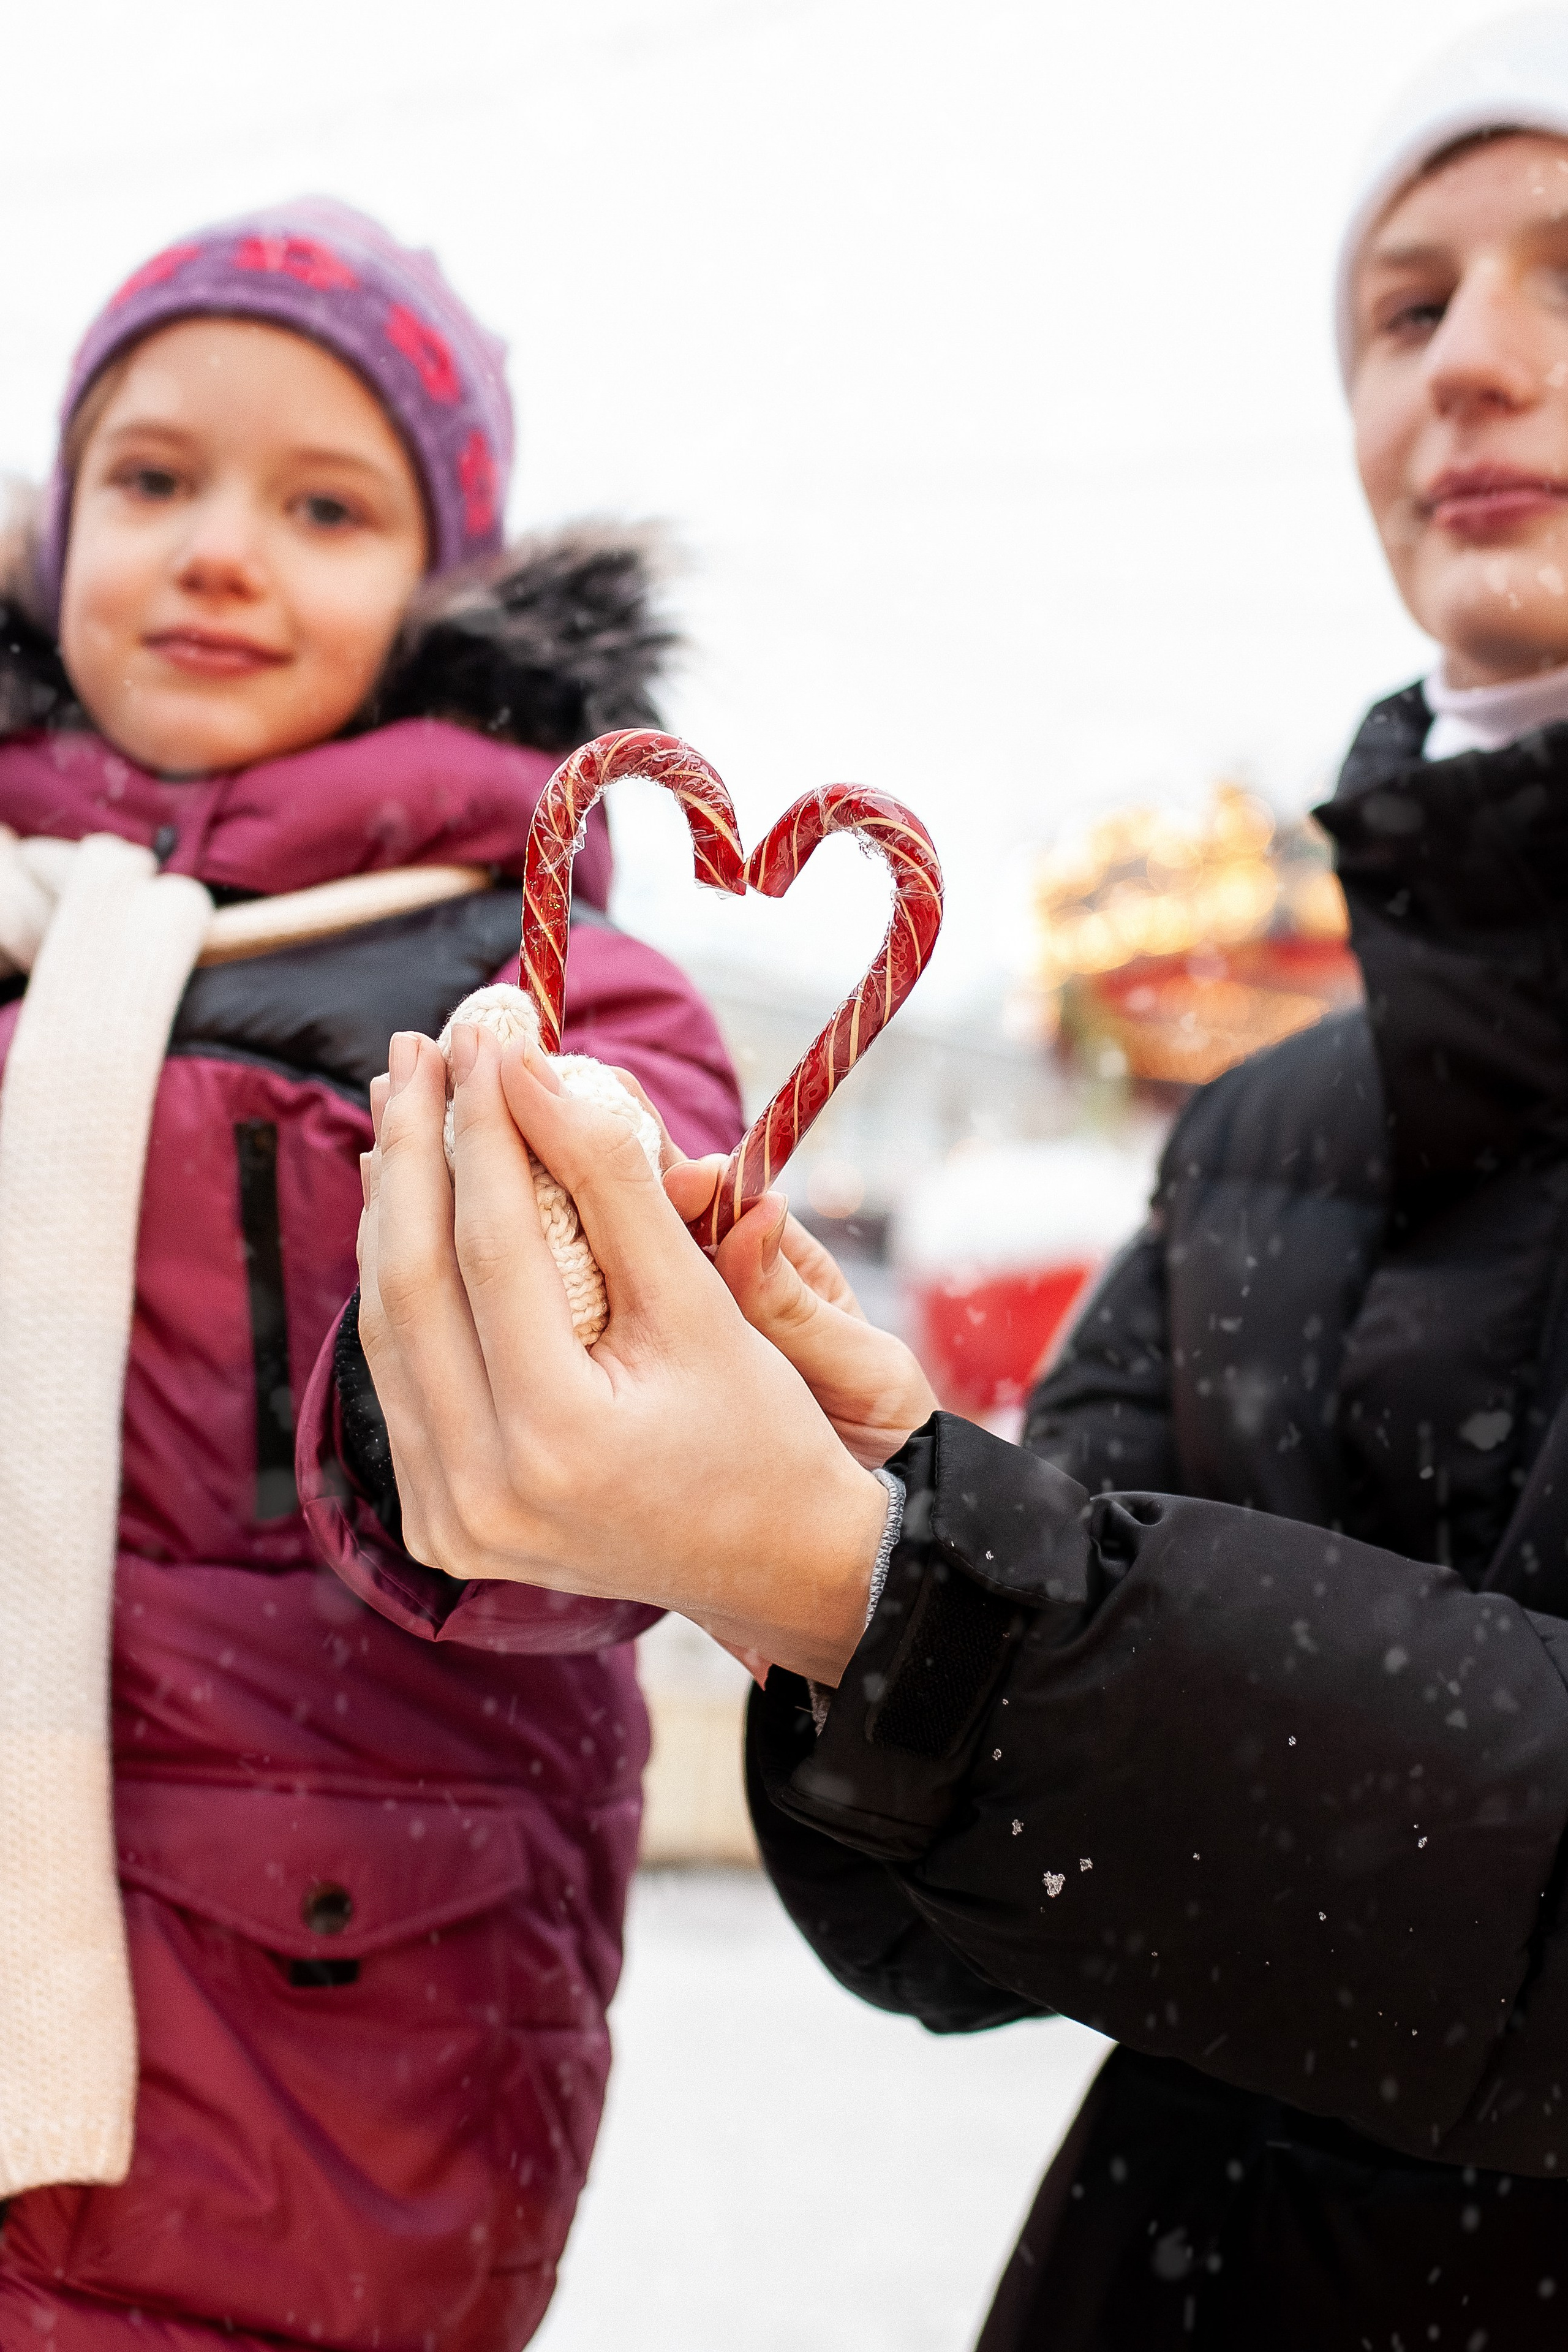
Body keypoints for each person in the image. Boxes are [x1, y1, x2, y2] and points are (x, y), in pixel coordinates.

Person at [350, 11, 1568, 2347]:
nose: (1474, 367)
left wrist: (877, 1574)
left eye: (1564, 279)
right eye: (1407, 307)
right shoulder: (1266, 1141)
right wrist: (853, 1510)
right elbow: (965, 1929)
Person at [0, 202, 742, 2350]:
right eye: (155, 478)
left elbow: (617, 1481)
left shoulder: (529, 981)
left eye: (323, 506)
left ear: (445, 588)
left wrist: (571, 1243)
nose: (220, 551)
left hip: (328, 2019)